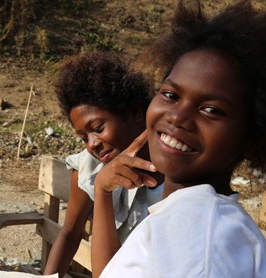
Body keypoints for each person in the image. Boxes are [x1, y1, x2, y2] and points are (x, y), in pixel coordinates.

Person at [93, 1, 266, 277]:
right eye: (171, 95)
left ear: (251, 139)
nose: (178, 117)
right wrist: (103, 190)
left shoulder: (198, 229)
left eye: (211, 110)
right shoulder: (189, 213)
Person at [43, 52, 164, 278]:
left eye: (98, 129)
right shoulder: (92, 166)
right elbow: (70, 232)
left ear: (135, 112)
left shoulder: (174, 171)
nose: (92, 145)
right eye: (83, 138)